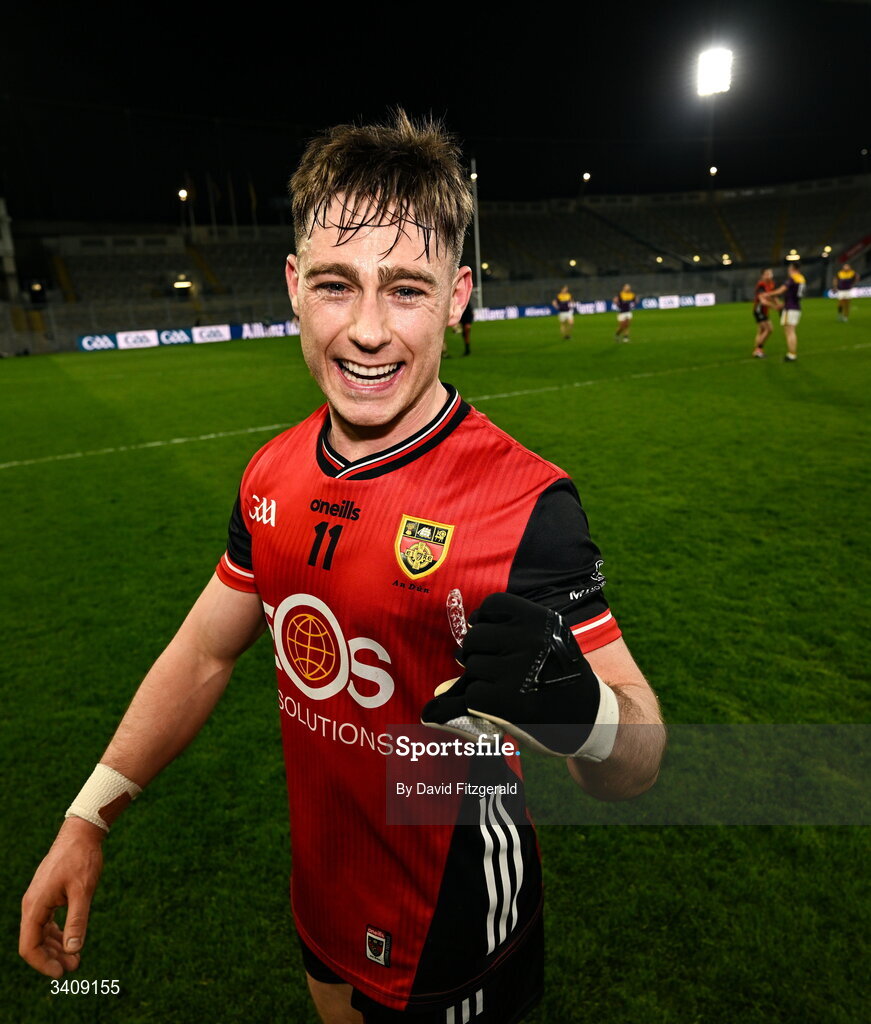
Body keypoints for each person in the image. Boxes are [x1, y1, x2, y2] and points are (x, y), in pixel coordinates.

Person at [19, 112, 665, 1024]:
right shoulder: (270, 473)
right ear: (294, 285)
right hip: (320, 896)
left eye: (405, 289)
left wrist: (583, 715)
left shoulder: (526, 505)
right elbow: (204, 652)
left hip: (452, 929)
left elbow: (638, 759)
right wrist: (88, 815)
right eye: (335, 284)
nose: (366, 330)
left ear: (457, 297)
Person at [768, 263, 806, 362]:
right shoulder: (801, 278)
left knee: (790, 331)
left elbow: (781, 290)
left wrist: (768, 294)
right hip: (796, 306)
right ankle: (792, 353)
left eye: (789, 269)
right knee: (791, 331)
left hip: (790, 308)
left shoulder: (793, 278)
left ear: (792, 269)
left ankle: (791, 354)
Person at [751, 268, 780, 358]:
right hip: (759, 310)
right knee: (769, 329)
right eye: (767, 274)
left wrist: (779, 304)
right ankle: (758, 350)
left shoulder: (771, 284)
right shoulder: (761, 285)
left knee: (761, 331)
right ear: (762, 276)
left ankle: (757, 351)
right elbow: (763, 301)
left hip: (764, 310)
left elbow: (773, 296)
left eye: (770, 273)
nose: (769, 276)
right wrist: (775, 307)